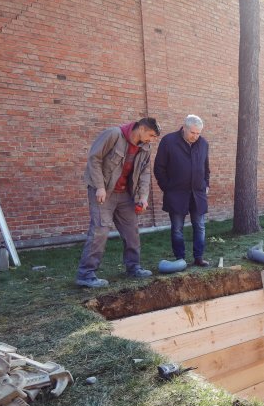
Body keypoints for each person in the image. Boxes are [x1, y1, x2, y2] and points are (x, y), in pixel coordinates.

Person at [75, 117, 161, 288]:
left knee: (132, 232)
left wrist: (143, 197)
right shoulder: (114, 134)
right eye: (151, 135)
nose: (152, 140)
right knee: (100, 230)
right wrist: (99, 186)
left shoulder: (145, 148)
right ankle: (86, 275)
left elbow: (144, 173)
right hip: (103, 192)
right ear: (142, 129)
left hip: (125, 195)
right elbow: (94, 158)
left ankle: (133, 268)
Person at [154, 115, 212, 267]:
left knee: (199, 226)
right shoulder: (168, 141)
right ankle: (180, 258)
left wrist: (206, 184)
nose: (196, 136)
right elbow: (159, 168)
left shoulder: (203, 143)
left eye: (198, 133)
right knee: (177, 228)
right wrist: (167, 187)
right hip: (176, 194)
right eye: (193, 132)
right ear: (184, 128)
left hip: (198, 194)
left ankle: (198, 257)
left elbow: (206, 168)